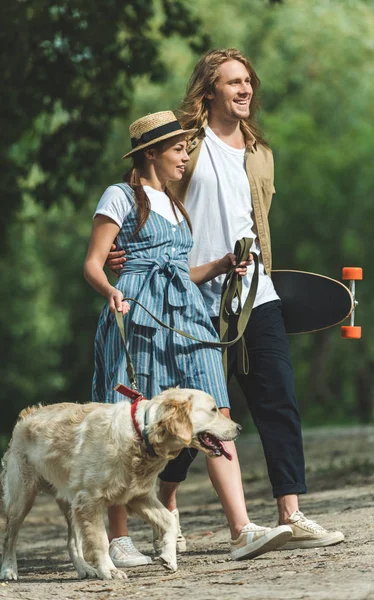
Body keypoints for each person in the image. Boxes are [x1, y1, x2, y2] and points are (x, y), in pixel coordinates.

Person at [107, 50, 345, 551]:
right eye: (233, 82)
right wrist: (123, 256)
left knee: (278, 398)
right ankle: (164, 504)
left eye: (248, 81)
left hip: (254, 292)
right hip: (186, 298)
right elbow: (141, 193)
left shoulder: (258, 149)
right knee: (192, 414)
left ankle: (291, 511)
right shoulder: (186, 144)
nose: (245, 90)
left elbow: (255, 221)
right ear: (209, 90)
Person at [83, 110, 293, 569]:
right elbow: (94, 263)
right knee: (124, 420)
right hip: (137, 313)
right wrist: (113, 292)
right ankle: (118, 539)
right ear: (151, 153)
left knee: (216, 409)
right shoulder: (120, 196)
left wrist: (217, 266)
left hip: (189, 314)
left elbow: (181, 272)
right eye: (178, 149)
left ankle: (241, 529)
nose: (185, 156)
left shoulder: (177, 206)